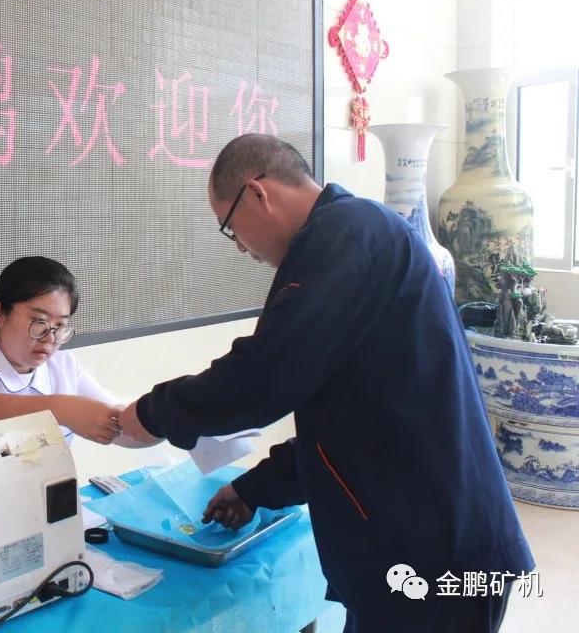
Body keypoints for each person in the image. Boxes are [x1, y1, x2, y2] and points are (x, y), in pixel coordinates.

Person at [117, 133, 533, 632]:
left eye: (231, 229)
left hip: (431, 551)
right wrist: (254, 488)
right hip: (414, 543)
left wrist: (151, 415)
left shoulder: (344, 236)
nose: (242, 248)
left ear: (257, 193)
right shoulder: (354, 237)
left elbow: (264, 374)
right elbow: (350, 420)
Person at [0, 255, 151, 449]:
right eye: (38, 321)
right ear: (0, 313)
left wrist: (159, 415)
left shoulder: (64, 366)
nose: (50, 338)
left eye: (60, 326)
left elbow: (126, 430)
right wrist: (63, 409)